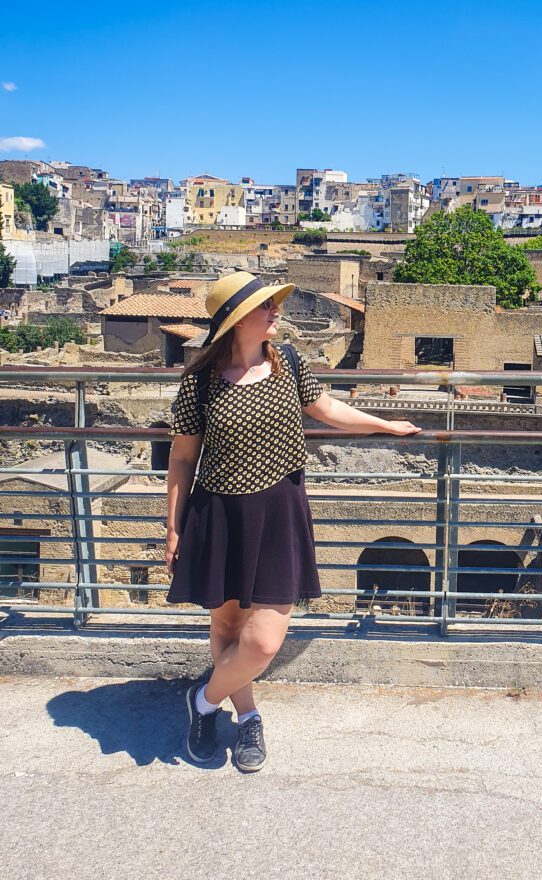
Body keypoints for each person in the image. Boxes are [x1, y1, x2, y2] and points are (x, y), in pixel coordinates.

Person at [165, 270, 421, 771]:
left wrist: (384, 424)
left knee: (261, 642)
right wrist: (173, 527)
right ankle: (248, 718)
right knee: (227, 625)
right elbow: (181, 460)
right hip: (219, 512)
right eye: (266, 306)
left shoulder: (289, 363)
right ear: (239, 320)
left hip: (280, 510)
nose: (275, 311)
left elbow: (326, 409)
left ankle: (202, 701)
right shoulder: (198, 385)